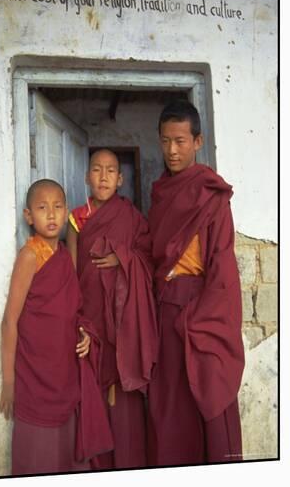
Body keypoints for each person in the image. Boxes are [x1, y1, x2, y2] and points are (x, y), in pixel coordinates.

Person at [147, 99, 245, 466]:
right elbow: (152, 252)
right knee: (169, 403)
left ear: (198, 141)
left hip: (199, 309)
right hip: (164, 309)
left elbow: (221, 264)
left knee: (206, 389)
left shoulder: (212, 196)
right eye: (166, 141)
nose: (172, 150)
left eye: (181, 141)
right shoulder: (160, 194)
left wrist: (202, 319)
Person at [0, 179, 113, 476]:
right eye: (42, 208)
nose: (51, 215)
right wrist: (9, 381)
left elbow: (72, 309)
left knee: (67, 449)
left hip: (65, 369)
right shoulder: (29, 257)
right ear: (28, 216)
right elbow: (10, 320)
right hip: (36, 373)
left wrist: (85, 334)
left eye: (58, 207)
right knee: (40, 453)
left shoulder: (64, 255)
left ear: (66, 215)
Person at [67, 149, 158, 470]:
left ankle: (130, 465)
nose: (103, 176)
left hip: (124, 317)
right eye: (96, 170)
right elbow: (72, 272)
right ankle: (100, 467)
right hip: (91, 317)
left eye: (110, 171)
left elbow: (149, 257)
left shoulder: (131, 216)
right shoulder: (76, 219)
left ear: (120, 179)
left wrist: (124, 257)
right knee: (93, 385)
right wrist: (77, 320)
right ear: (87, 176)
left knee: (124, 386)